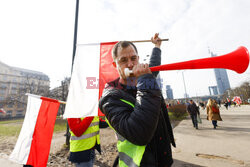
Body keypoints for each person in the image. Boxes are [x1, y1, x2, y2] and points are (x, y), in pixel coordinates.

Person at [99, 33, 176, 167]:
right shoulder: (110, 98)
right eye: (123, 60)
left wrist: (157, 46)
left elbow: (154, 64)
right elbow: (139, 133)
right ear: (114, 64)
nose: (130, 64)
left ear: (138, 59)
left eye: (133, 58)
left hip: (163, 159)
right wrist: (145, 81)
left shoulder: (144, 80)